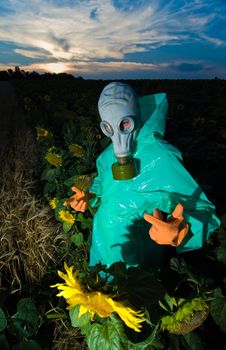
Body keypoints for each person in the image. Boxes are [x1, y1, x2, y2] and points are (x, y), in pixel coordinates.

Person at [64, 82, 220, 269]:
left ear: (136, 116)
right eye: (109, 127)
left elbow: (202, 211)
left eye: (125, 124)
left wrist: (181, 229)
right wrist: (89, 195)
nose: (119, 137)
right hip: (102, 248)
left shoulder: (160, 157)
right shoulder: (107, 155)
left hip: (137, 264)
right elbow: (105, 185)